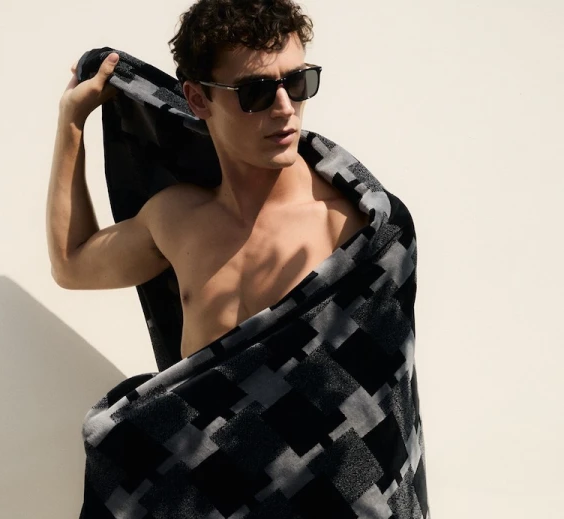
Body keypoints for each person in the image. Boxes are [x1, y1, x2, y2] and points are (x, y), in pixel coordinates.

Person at [46, 0, 369, 360]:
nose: (284, 107)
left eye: (297, 82)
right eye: (256, 92)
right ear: (198, 100)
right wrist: (71, 120)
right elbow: (70, 266)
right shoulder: (178, 220)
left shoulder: (350, 227)